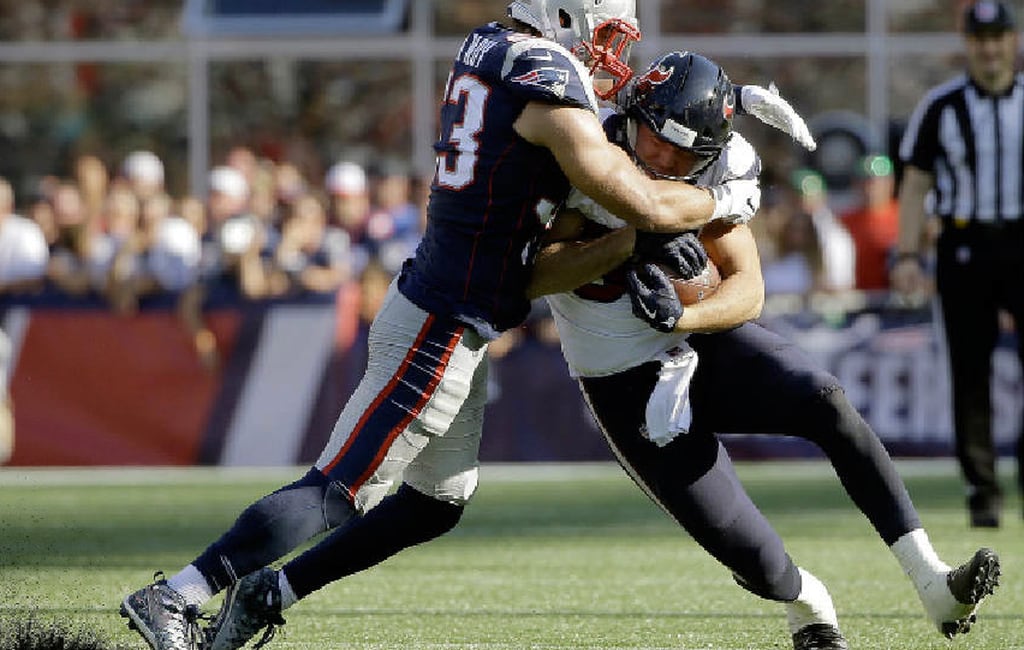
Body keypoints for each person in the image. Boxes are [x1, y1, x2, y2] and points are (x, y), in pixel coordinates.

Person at [118, 3, 764, 649]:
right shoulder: (544, 76)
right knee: (341, 489)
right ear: (563, 12)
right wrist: (725, 196)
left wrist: (630, 235)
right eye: (602, 33)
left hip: (449, 301)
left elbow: (607, 205)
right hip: (444, 317)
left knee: (437, 498)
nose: (606, 52)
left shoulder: (491, 47)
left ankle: (263, 594)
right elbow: (642, 199)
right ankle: (177, 594)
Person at [530, 51, 1000, 648]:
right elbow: (534, 276)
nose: (664, 161)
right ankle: (809, 603)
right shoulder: (584, 150)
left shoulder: (720, 168)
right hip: (622, 376)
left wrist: (686, 315)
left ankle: (933, 580)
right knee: (755, 560)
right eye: (654, 141)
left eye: (685, 155)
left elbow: (747, 290)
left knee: (826, 402)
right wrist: (629, 242)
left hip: (703, 341)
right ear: (633, 114)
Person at [892, 0, 1024, 528]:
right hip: (965, 247)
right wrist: (906, 254)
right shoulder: (941, 107)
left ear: (1013, 40)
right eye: (980, 39)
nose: (990, 49)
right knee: (970, 374)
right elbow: (915, 183)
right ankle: (983, 491)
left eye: (998, 37)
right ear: (967, 45)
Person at [839, 154, 900, 292]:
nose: (870, 187)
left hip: (897, 300)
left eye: (877, 181)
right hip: (857, 298)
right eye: (864, 181)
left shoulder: (905, 217)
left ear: (890, 182)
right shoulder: (843, 222)